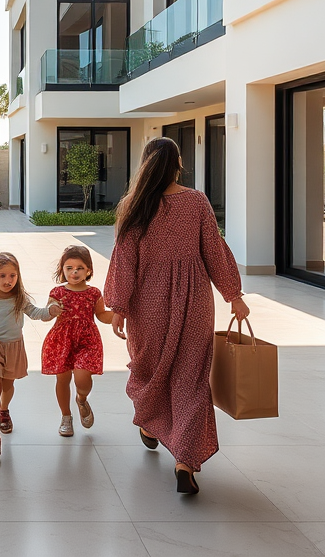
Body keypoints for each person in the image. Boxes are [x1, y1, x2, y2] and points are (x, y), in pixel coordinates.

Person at [105, 136, 249, 495]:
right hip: (195, 301)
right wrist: (234, 295)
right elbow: (215, 250)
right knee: (192, 377)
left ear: (145, 163)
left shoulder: (134, 205)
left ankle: (150, 424)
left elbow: (124, 260)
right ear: (178, 164)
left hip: (148, 304)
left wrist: (119, 306)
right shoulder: (196, 201)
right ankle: (185, 461)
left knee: (150, 369)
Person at [0, 251, 62, 457]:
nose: (8, 280)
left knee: (7, 386)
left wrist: (51, 312)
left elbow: (37, 313)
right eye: (2, 275)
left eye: (12, 275)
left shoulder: (19, 298)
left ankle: (4, 410)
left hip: (14, 349)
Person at [41, 245, 113, 437]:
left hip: (87, 341)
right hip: (61, 340)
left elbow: (102, 315)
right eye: (69, 268)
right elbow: (48, 313)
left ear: (88, 270)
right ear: (63, 269)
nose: (74, 272)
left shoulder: (94, 293)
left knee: (82, 378)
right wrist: (51, 310)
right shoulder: (57, 292)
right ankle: (66, 416)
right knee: (62, 379)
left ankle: (81, 399)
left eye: (80, 268)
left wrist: (118, 315)